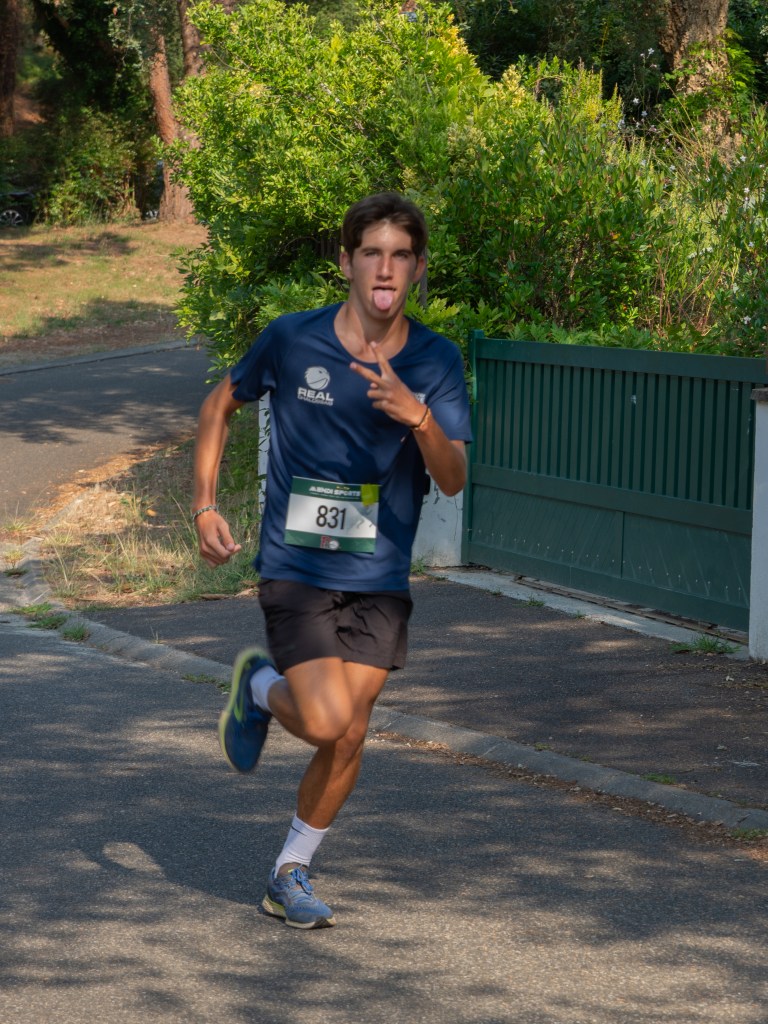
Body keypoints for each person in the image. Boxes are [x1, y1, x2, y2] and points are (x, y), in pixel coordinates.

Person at [192, 192, 472, 929]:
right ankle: (260, 687)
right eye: (371, 253)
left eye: (400, 255)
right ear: (346, 262)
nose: (385, 268)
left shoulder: (436, 359)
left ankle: (290, 871)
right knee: (323, 720)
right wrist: (205, 505)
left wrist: (418, 416)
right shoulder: (292, 339)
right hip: (299, 567)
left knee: (350, 731)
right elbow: (219, 406)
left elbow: (452, 478)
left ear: (418, 268)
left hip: (380, 574)